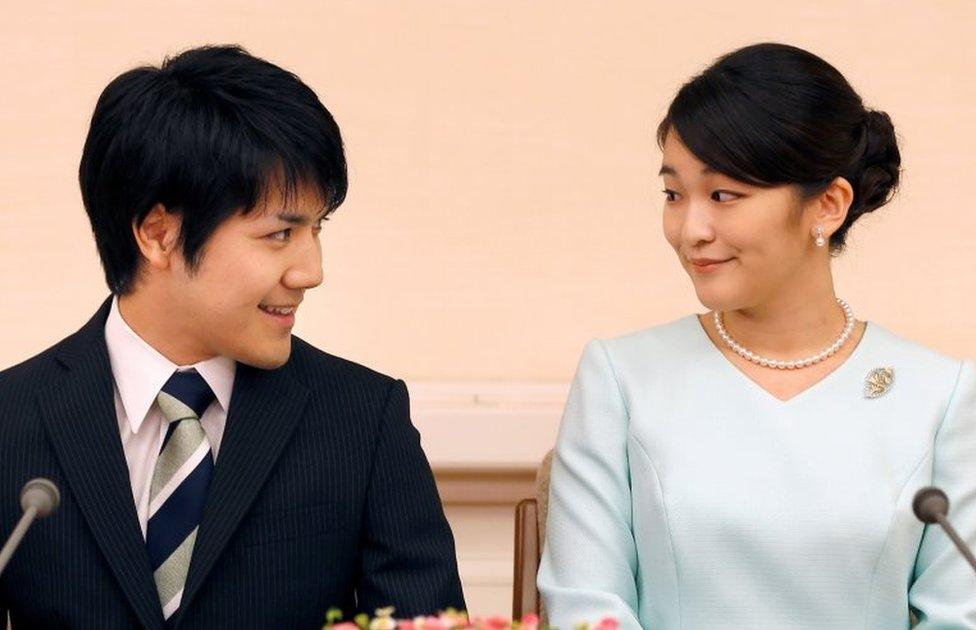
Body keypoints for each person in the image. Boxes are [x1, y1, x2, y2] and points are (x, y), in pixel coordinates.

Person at [0, 45, 464, 628]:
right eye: (279, 233)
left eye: (316, 229)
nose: (310, 271)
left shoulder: (364, 420)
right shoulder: (11, 422)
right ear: (159, 234)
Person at [538, 43, 976, 629]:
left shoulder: (942, 396)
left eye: (724, 195)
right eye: (674, 194)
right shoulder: (621, 378)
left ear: (828, 205)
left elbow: (957, 617)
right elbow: (585, 610)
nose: (690, 230)